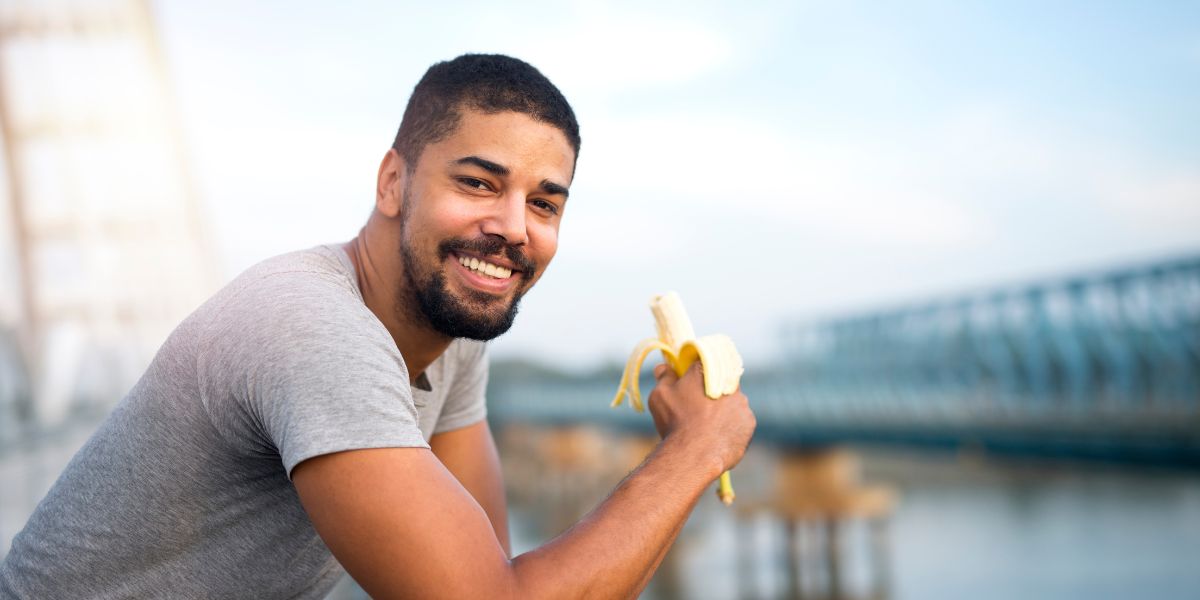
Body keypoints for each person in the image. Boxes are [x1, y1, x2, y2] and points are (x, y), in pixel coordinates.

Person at [0, 53, 756, 599]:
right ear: (393, 181)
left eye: (545, 203)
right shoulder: (309, 325)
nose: (512, 227)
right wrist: (696, 450)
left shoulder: (452, 334)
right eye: (478, 183)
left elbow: (484, 561)